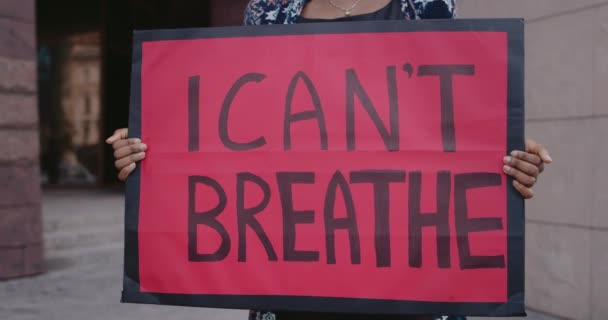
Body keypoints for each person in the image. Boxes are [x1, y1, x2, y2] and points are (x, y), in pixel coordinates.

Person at [106, 1, 553, 320]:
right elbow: (233, 121)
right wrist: (152, 146)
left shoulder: (429, 7)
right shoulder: (267, 12)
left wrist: (507, 152)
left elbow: (454, 121)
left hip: (408, 290)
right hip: (290, 291)